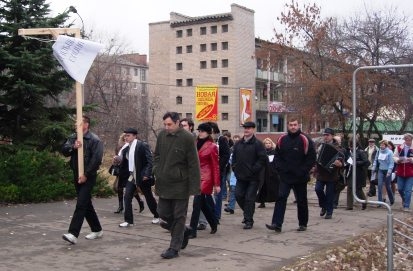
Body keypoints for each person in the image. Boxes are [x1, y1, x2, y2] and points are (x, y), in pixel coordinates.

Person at [153, 112, 201, 259]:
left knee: (179, 216)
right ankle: (184, 232)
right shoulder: (162, 136)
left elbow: (193, 163)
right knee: (163, 214)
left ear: (177, 123)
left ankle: (174, 248)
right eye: (165, 124)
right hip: (164, 182)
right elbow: (157, 156)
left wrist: (194, 187)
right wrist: (157, 170)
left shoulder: (187, 138)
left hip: (181, 184)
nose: (167, 127)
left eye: (169, 124)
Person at [266, 117, 316, 233]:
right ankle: (276, 224)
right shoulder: (282, 139)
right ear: (287, 126)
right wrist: (280, 169)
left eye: (295, 125)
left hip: (300, 176)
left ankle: (303, 223)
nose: (293, 127)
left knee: (301, 200)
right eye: (291, 125)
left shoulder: (305, 139)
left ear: (298, 125)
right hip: (285, 176)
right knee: (281, 197)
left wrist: (302, 171)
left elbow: (311, 158)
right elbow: (277, 156)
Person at [61, 115, 104, 244]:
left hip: (88, 176)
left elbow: (96, 160)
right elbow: (64, 150)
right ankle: (97, 229)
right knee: (86, 203)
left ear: (86, 124)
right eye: (75, 123)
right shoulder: (73, 137)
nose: (75, 125)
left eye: (78, 123)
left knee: (81, 204)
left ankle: (73, 234)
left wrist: (86, 174)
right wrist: (73, 147)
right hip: (76, 174)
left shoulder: (94, 140)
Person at [118, 128, 159, 227]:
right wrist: (117, 160)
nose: (126, 137)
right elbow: (124, 161)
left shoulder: (142, 145)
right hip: (132, 176)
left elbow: (150, 161)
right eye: (125, 135)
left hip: (142, 175)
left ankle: (157, 215)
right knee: (127, 196)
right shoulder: (125, 148)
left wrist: (147, 174)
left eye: (128, 135)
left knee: (148, 196)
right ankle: (128, 221)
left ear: (135, 136)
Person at [187, 123, 220, 238]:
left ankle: (192, 230)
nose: (200, 133)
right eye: (199, 130)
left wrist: (217, 184)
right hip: (196, 176)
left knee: (197, 204)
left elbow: (215, 166)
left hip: (206, 178)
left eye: (202, 131)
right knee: (203, 204)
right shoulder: (194, 143)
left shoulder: (212, 146)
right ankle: (213, 222)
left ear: (208, 133)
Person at [232, 121, 267, 229]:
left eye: (249, 128)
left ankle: (249, 220)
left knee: (249, 198)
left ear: (253, 129)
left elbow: (262, 159)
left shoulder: (258, 144)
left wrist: (254, 169)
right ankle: (248, 212)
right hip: (241, 176)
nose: (246, 130)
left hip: (253, 177)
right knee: (238, 195)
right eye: (245, 128)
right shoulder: (238, 144)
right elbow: (234, 157)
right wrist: (234, 167)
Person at [314, 128, 344, 219]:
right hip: (321, 173)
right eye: (324, 135)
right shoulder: (320, 145)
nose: (325, 136)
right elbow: (316, 157)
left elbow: (342, 161)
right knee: (318, 189)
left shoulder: (338, 148)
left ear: (332, 136)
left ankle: (329, 212)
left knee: (330, 194)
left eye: (327, 135)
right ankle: (323, 205)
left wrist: (339, 164)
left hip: (332, 174)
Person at [113, 133, 144, 214]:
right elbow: (117, 156)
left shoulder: (135, 146)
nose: (125, 139)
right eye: (124, 138)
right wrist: (115, 159)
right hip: (121, 170)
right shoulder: (120, 146)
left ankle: (140, 201)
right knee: (119, 188)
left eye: (127, 137)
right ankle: (120, 206)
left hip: (130, 170)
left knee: (130, 190)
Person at [208, 122, 230, 222]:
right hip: (207, 170)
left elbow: (226, 154)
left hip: (219, 171)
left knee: (217, 193)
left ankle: (216, 215)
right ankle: (209, 212)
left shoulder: (221, 139)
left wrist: (219, 167)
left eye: (210, 130)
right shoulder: (206, 140)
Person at [345, 139, 370, 210]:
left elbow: (366, 162)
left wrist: (356, 163)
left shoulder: (361, 152)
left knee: (358, 189)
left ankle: (364, 202)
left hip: (358, 173)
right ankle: (349, 206)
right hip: (350, 172)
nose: (350, 147)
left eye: (351, 145)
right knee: (349, 188)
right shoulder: (350, 152)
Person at [256, 137, 279, 208]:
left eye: (269, 143)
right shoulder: (262, 153)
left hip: (273, 172)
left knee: (275, 187)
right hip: (264, 173)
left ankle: (277, 201)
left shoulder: (275, 152)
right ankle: (262, 202)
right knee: (263, 187)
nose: (268, 144)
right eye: (266, 143)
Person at [393, 133, 413, 212]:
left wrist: (411, 160)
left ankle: (406, 206)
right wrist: (398, 160)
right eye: (406, 140)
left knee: (408, 190)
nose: (408, 141)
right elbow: (394, 156)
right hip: (401, 171)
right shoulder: (399, 147)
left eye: (409, 140)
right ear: (404, 140)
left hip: (410, 172)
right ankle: (404, 200)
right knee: (400, 189)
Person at [372, 139, 395, 206]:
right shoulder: (379, 151)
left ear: (386, 145)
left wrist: (389, 171)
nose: (381, 146)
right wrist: (373, 167)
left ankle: (392, 199)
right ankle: (379, 202)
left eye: (382, 145)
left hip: (387, 170)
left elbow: (391, 163)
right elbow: (376, 160)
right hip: (381, 170)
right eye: (380, 145)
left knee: (387, 186)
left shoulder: (390, 152)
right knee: (379, 185)